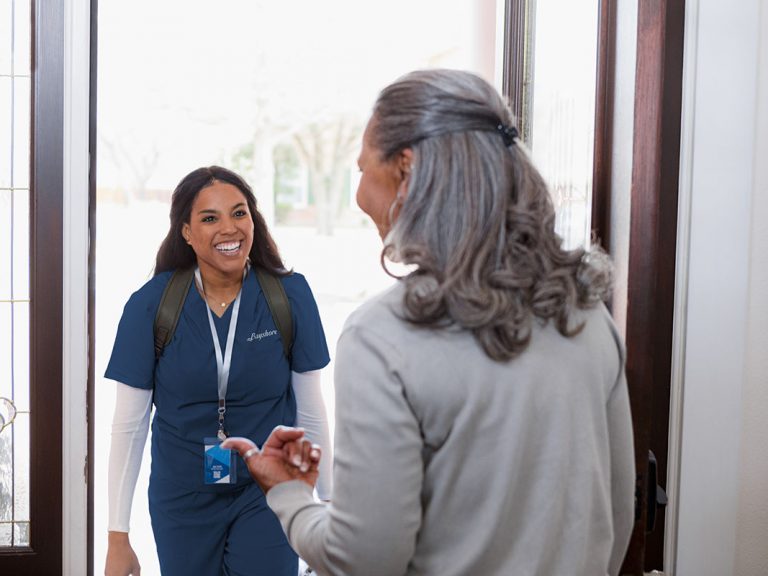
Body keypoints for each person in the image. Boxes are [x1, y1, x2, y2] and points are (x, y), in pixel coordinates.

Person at [224, 69, 636, 576]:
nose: (358, 198)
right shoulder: (586, 312)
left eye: (362, 172)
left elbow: (366, 560)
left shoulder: (383, 337)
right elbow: (617, 517)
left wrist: (289, 496)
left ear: (406, 169)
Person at [103, 165, 332, 576]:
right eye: (210, 218)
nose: (230, 228)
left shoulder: (289, 296)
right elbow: (129, 425)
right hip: (182, 499)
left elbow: (311, 411)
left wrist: (331, 508)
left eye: (239, 213)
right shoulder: (151, 306)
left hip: (270, 493)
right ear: (186, 232)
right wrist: (118, 537)